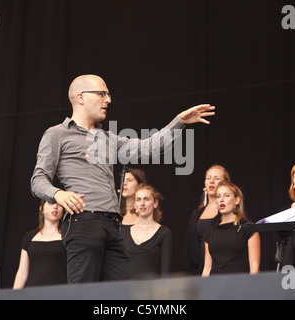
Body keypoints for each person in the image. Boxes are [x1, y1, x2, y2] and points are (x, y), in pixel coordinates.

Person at [31, 74, 215, 283]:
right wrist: (58, 194)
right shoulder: (57, 134)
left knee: (119, 294)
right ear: (81, 98)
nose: (108, 100)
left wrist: (179, 121)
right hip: (84, 221)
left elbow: (149, 149)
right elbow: (38, 179)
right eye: (102, 94)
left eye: (108, 95)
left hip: (113, 225)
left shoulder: (108, 138)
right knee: (84, 294)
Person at [202, 181, 260, 276]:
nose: (221, 200)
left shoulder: (249, 229)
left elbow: (254, 268)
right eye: (218, 196)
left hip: (239, 287)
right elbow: (207, 269)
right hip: (214, 287)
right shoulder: (209, 233)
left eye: (226, 196)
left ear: (236, 200)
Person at [183, 164, 231, 275]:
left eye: (217, 178)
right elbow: (189, 248)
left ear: (226, 183)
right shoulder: (196, 214)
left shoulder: (227, 213)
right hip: (197, 273)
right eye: (208, 178)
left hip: (219, 271)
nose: (212, 181)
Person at [121, 184, 172, 279]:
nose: (142, 203)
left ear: (155, 203)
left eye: (147, 199)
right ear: (134, 204)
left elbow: (165, 272)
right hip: (126, 290)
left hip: (151, 291)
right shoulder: (124, 233)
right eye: (138, 199)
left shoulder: (164, 233)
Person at [13, 200, 67, 289]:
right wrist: (13, 296)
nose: (55, 207)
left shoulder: (67, 236)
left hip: (59, 292)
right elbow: (22, 272)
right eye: (50, 203)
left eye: (60, 205)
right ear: (41, 209)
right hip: (31, 292)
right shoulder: (29, 236)